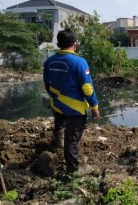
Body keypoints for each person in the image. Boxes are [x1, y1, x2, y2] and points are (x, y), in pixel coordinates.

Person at [43, 28, 100, 174]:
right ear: (75, 44)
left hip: (57, 104)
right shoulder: (79, 62)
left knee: (60, 123)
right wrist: (94, 106)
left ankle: (58, 142)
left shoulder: (49, 61)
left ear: (58, 44)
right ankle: (73, 169)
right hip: (75, 109)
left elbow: (46, 84)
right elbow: (87, 88)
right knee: (72, 138)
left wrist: (55, 97)